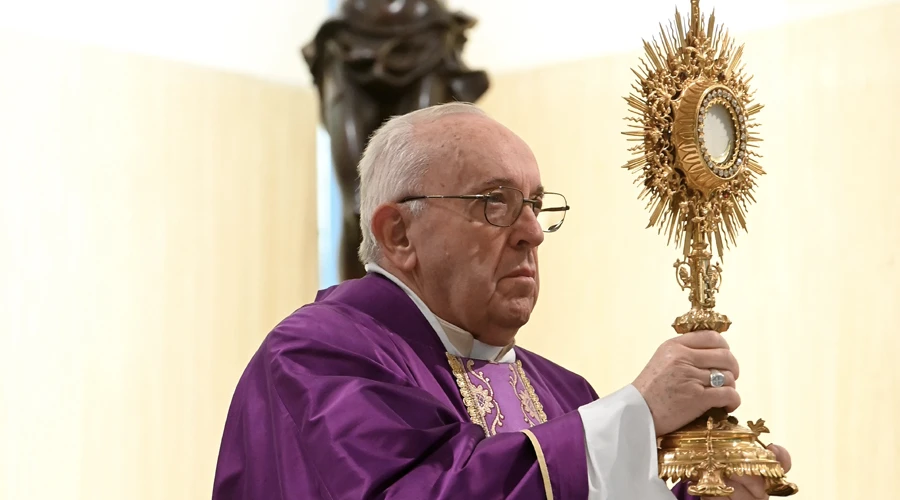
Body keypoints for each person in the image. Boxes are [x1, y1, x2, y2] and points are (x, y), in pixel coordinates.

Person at [212, 102, 791, 499]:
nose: (532, 231)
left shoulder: (563, 393)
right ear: (398, 235)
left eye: (536, 204)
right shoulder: (315, 360)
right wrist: (636, 414)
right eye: (494, 202)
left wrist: (693, 490)